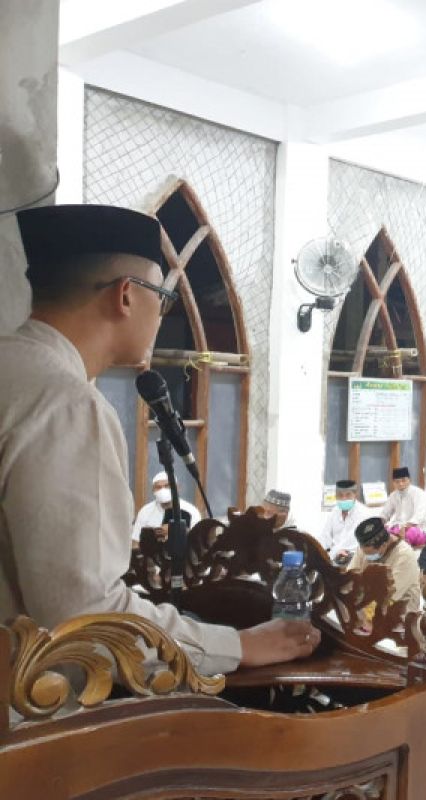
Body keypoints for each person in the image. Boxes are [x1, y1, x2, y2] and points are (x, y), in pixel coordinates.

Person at [0, 203, 317, 676]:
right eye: (163, 298)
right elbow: (86, 619)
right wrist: (235, 646)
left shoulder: (15, 369)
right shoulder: (66, 402)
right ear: (125, 296)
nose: (163, 313)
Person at [347, 517, 421, 616]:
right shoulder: (365, 547)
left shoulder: (404, 555)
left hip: (399, 613)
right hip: (366, 604)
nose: (367, 557)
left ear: (384, 545)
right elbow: (350, 576)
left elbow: (388, 596)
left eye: (370, 554)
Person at [130, 470, 202, 544]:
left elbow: (198, 540)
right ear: (153, 490)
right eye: (158, 487)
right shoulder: (145, 511)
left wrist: (174, 531)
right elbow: (136, 540)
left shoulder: (191, 511)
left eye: (167, 486)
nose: (163, 490)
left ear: (177, 488)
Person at [319, 479, 375, 564]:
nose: (344, 498)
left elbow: (358, 542)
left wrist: (338, 552)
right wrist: (320, 551)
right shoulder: (334, 512)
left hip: (355, 558)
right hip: (334, 556)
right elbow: (325, 537)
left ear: (355, 495)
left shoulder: (364, 514)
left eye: (348, 495)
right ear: (336, 496)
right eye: (340, 495)